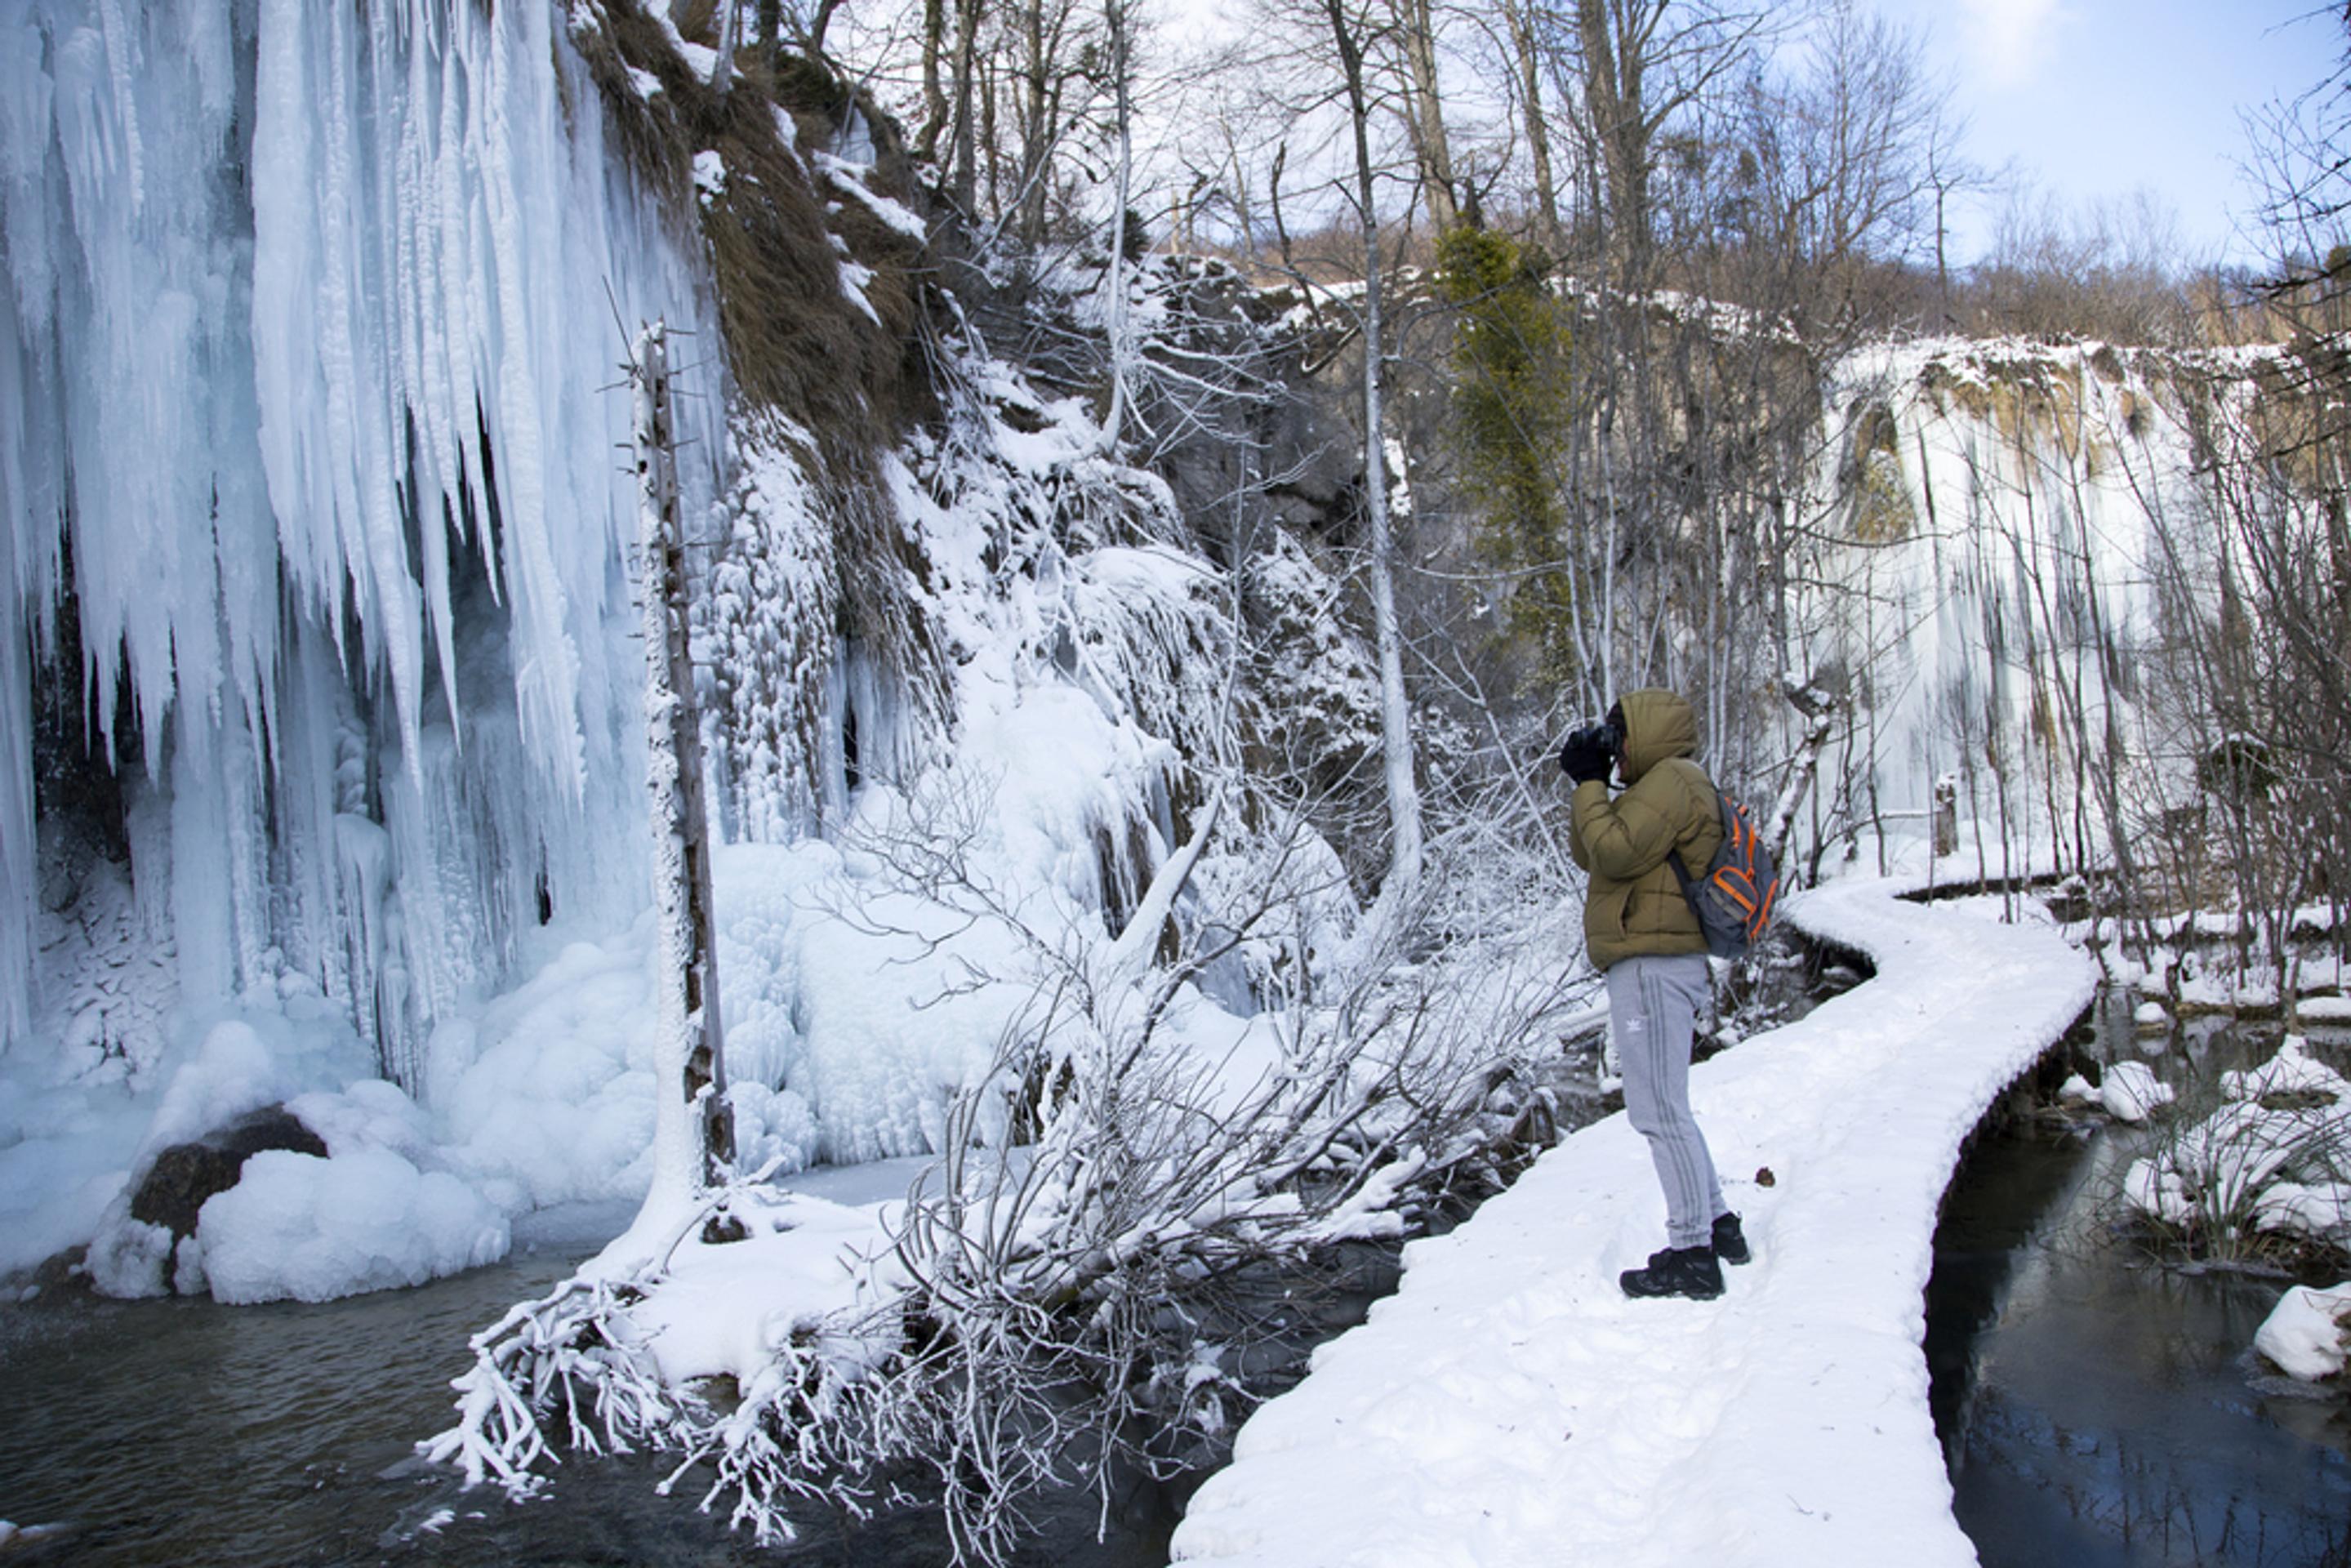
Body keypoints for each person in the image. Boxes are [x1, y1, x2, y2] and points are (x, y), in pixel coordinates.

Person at [1560, 688, 1751, 1300]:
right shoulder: (1665, 785)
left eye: (1618, 735)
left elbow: (1612, 853)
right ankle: (1718, 1226)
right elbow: (1590, 851)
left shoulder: (1671, 781)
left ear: (1643, 733)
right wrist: (1588, 785)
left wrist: (1592, 780)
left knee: (1656, 1111)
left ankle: (1691, 1253)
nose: (1613, 749)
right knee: (1668, 1106)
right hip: (1655, 960)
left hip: (1653, 963)